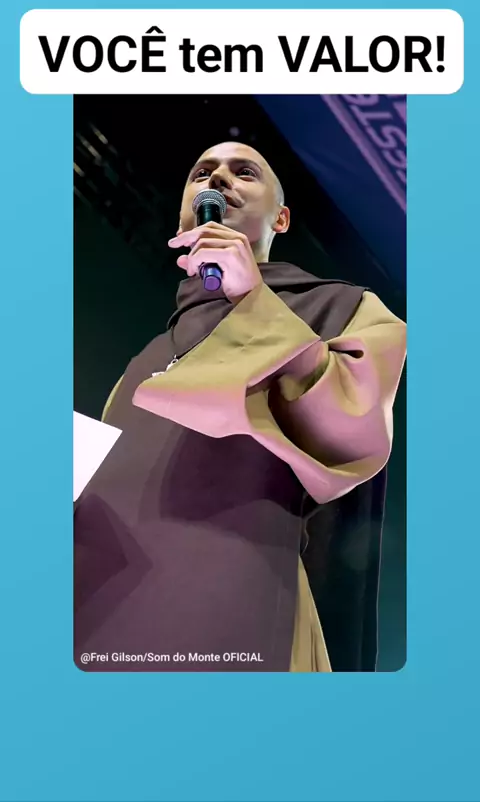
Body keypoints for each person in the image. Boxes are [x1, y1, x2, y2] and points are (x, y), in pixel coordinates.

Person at [74, 142, 406, 673]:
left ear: (282, 218)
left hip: (234, 586)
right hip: (97, 596)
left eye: (244, 172)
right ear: (182, 217)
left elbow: (354, 428)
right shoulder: (145, 357)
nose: (218, 179)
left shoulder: (350, 309)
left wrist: (253, 301)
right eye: (202, 172)